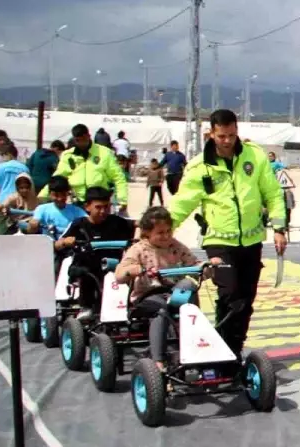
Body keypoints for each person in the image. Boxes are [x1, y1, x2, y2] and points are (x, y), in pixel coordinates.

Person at [168, 108, 287, 360]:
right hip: (219, 241)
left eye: (231, 135)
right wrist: (163, 231)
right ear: (211, 133)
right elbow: (182, 202)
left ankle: (233, 348)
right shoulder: (200, 166)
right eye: (221, 136)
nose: (227, 141)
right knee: (230, 294)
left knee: (246, 300)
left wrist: (279, 228)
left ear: (237, 131)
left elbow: (273, 193)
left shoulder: (254, 157)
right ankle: (222, 349)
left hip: (252, 240)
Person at [116, 206, 203, 371]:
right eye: (161, 233)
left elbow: (194, 263)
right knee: (162, 310)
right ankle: (158, 360)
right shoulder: (138, 249)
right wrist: (132, 270)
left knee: (189, 287)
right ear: (146, 233)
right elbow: (119, 274)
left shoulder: (175, 246)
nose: (166, 236)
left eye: (169, 231)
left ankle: (196, 347)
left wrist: (206, 267)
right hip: (146, 296)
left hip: (172, 292)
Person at [56, 187, 135, 318]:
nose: (103, 211)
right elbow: (57, 244)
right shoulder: (79, 224)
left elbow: (140, 225)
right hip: (85, 266)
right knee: (88, 273)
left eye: (106, 207)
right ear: (87, 207)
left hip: (113, 266)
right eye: (98, 207)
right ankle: (86, 307)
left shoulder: (117, 222)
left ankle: (131, 306)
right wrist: (66, 241)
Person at [44, 123, 127, 211]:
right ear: (74, 139)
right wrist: (43, 196)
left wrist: (122, 200)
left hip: (99, 203)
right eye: (78, 140)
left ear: (88, 136)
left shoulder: (104, 153)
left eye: (84, 139)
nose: (81, 143)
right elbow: (58, 177)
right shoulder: (68, 155)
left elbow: (118, 177)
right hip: (78, 202)